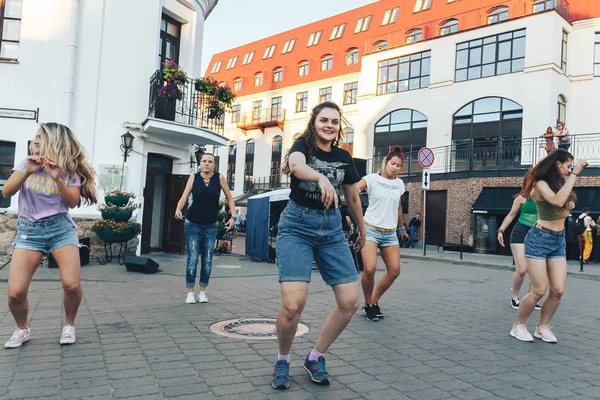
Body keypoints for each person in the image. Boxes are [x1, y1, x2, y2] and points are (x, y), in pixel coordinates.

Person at [271, 102, 365, 390]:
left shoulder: (344, 157)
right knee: (292, 304)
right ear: (314, 122)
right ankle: (283, 359)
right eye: (324, 120)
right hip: (297, 226)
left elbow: (352, 197)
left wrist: (362, 229)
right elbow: (297, 166)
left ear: (339, 127)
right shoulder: (303, 145)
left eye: (335, 122)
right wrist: (321, 176)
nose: (329, 125)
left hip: (332, 229)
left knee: (350, 302)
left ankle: (315, 356)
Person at [3, 123, 97, 348]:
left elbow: (72, 202)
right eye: (35, 137)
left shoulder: (69, 170)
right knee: (15, 293)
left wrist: (57, 177)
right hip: (29, 231)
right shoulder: (25, 163)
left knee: (71, 285)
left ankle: (69, 324)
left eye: (39, 137)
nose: (34, 141)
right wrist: (27, 171)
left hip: (60, 230)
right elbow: (6, 191)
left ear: (53, 142)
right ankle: (22, 329)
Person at [510, 149, 587, 343]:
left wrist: (568, 205)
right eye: (568, 166)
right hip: (539, 239)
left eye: (571, 167)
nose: (570, 170)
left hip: (558, 240)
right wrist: (576, 173)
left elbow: (563, 203)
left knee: (558, 291)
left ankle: (541, 326)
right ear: (557, 164)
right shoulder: (540, 184)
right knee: (538, 290)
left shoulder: (558, 183)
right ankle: (518, 326)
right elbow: (558, 200)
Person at [175, 153, 235, 304]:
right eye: (204, 161)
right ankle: (190, 292)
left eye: (210, 162)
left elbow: (229, 198)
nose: (207, 164)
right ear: (200, 163)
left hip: (211, 225)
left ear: (214, 164)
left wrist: (233, 217)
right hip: (193, 223)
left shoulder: (219, 178)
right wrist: (178, 208)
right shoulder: (194, 177)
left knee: (207, 260)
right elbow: (184, 195)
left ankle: (202, 292)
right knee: (193, 259)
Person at [358, 146, 409, 322]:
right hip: (370, 229)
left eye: (398, 165)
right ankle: (367, 302)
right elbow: (355, 190)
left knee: (394, 271)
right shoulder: (372, 179)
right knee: (370, 269)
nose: (394, 167)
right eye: (392, 163)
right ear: (386, 162)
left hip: (390, 232)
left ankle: (373, 301)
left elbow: (398, 207)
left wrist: (402, 228)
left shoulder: (399, 184)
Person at [497, 190, 542, 311]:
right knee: (522, 269)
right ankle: (515, 297)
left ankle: (530, 298)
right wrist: (501, 230)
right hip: (520, 233)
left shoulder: (547, 196)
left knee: (535, 269)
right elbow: (511, 215)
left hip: (538, 234)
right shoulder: (522, 198)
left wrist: (569, 204)